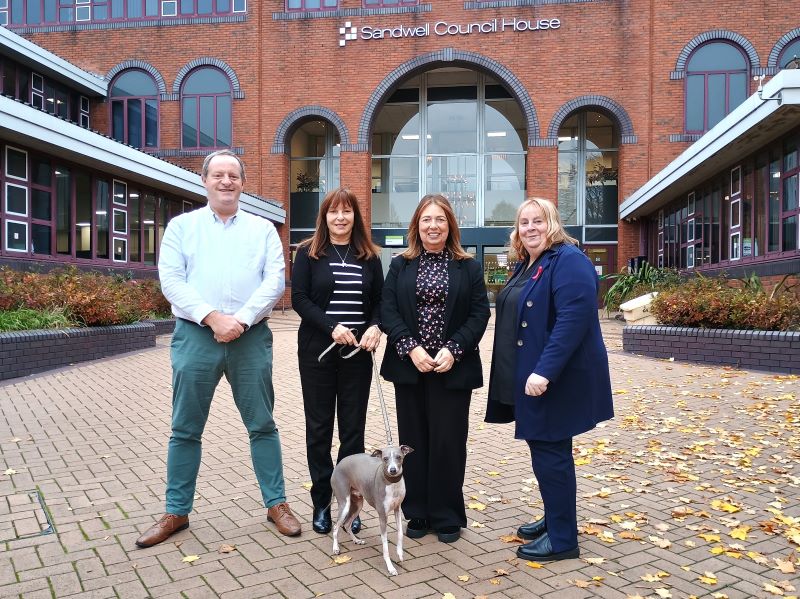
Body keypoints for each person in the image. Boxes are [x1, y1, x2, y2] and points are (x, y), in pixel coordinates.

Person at [136, 150, 301, 548]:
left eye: (233, 176)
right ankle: (176, 511)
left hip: (250, 338)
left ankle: (276, 503)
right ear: (205, 181)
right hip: (195, 337)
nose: (226, 181)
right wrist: (213, 317)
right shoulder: (181, 227)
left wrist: (240, 320)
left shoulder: (262, 230)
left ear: (243, 183)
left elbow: (274, 281)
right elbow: (171, 281)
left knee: (262, 424)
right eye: (218, 175)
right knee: (185, 428)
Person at [485, 198, 613, 561]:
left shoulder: (569, 260)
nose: (530, 228)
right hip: (530, 377)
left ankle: (562, 540)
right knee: (547, 454)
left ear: (552, 223)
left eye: (537, 221)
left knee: (551, 455)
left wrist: (544, 370)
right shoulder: (530, 263)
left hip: (553, 380)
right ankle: (557, 520)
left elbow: (573, 320)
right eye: (523, 222)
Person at [380, 194, 490, 544]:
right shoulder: (400, 264)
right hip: (410, 367)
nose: (433, 225)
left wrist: (454, 349)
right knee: (413, 442)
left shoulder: (468, 266)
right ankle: (418, 511)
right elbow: (388, 311)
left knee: (448, 443)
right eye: (426, 219)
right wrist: (409, 347)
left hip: (450, 369)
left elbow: (479, 314)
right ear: (417, 226)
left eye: (440, 219)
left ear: (450, 225)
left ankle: (447, 514)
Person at [291, 187, 383, 535]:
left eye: (347, 212)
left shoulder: (369, 256)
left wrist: (376, 326)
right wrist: (331, 327)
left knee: (352, 431)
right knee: (318, 430)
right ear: (325, 217)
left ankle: (351, 502)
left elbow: (379, 301)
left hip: (357, 355)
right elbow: (299, 298)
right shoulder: (308, 253)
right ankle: (321, 501)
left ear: (355, 217)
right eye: (333, 212)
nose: (340, 218)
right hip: (318, 353)